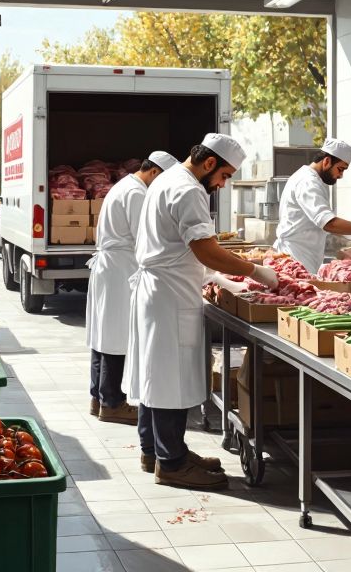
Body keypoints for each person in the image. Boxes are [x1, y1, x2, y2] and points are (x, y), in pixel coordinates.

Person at [124, 134, 280, 490]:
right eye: (224, 176)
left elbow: (178, 247)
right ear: (209, 163)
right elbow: (205, 250)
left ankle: (157, 450)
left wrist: (218, 277)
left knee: (156, 376)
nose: (223, 184)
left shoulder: (167, 179)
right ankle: (172, 463)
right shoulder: (189, 189)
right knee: (168, 380)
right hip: (168, 297)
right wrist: (255, 271)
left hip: (161, 290)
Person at [87, 151, 179, 425]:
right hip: (120, 268)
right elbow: (147, 236)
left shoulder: (123, 186)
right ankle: (112, 402)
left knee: (103, 335)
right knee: (117, 336)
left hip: (111, 267)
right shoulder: (138, 194)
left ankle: (98, 396)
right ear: (153, 173)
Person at [273, 138, 351, 275]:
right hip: (296, 257)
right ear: (326, 161)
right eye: (340, 169)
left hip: (305, 256)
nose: (341, 175)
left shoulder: (315, 181)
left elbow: (321, 224)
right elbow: (328, 223)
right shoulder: (308, 183)